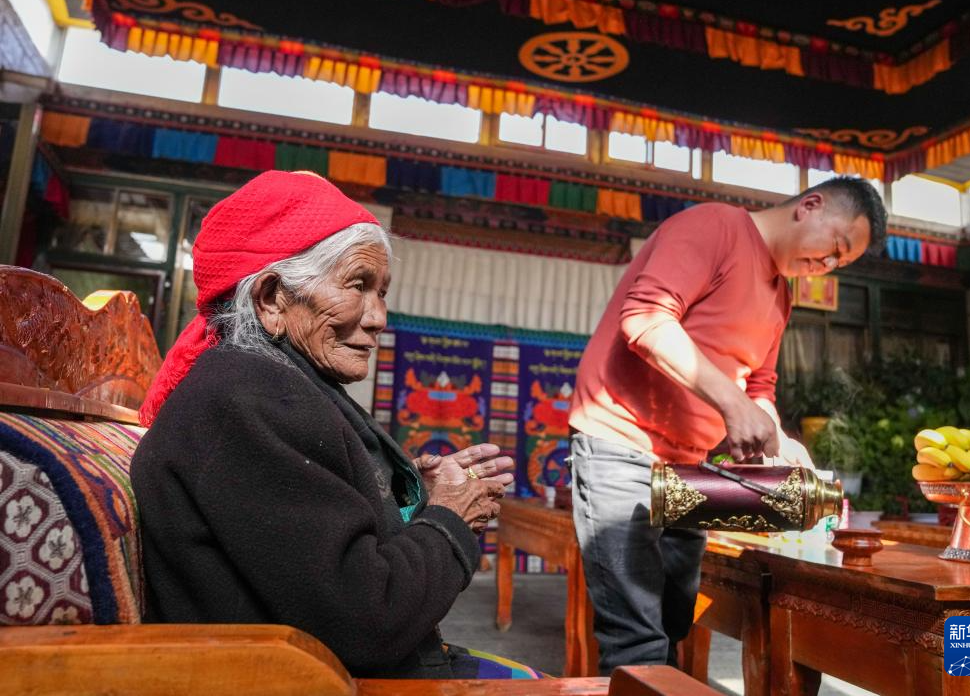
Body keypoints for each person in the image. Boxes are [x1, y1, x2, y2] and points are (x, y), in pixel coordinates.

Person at [130, 171, 529, 679]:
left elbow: (312, 540)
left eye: (382, 292)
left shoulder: (269, 383)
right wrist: (451, 516)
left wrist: (414, 499)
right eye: (358, 285)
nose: (378, 317)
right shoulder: (246, 400)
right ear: (272, 299)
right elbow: (371, 622)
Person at [568, 177, 887, 672]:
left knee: (674, 619)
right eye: (836, 246)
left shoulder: (780, 298)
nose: (827, 265)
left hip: (690, 467)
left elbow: (759, 387)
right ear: (811, 205)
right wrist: (733, 405)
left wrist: (781, 442)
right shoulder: (714, 226)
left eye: (838, 264)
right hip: (620, 444)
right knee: (636, 636)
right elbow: (646, 318)